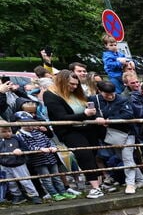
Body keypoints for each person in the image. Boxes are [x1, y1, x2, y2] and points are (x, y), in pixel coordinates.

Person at [43, 70, 105, 198]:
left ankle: (98, 185)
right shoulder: (51, 95)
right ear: (62, 82)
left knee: (93, 155)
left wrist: (97, 116)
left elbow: (90, 107)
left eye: (76, 84)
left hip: (88, 128)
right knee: (84, 154)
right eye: (71, 84)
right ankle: (95, 187)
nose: (74, 87)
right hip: (70, 130)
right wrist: (85, 115)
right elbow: (60, 117)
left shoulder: (77, 93)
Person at [92, 80, 143, 193]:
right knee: (125, 159)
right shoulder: (95, 100)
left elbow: (128, 114)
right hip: (112, 135)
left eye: (112, 93)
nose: (111, 96)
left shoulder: (122, 99)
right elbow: (93, 111)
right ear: (100, 92)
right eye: (107, 94)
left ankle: (130, 184)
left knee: (127, 158)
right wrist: (98, 117)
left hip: (127, 133)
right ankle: (142, 180)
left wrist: (110, 120)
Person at [0, 124, 43, 204]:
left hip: (18, 164)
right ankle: (17, 195)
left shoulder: (16, 138)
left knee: (25, 181)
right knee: (10, 182)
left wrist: (20, 150)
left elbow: (25, 148)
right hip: (4, 165)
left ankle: (34, 195)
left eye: (9, 131)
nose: (8, 133)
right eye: (4, 132)